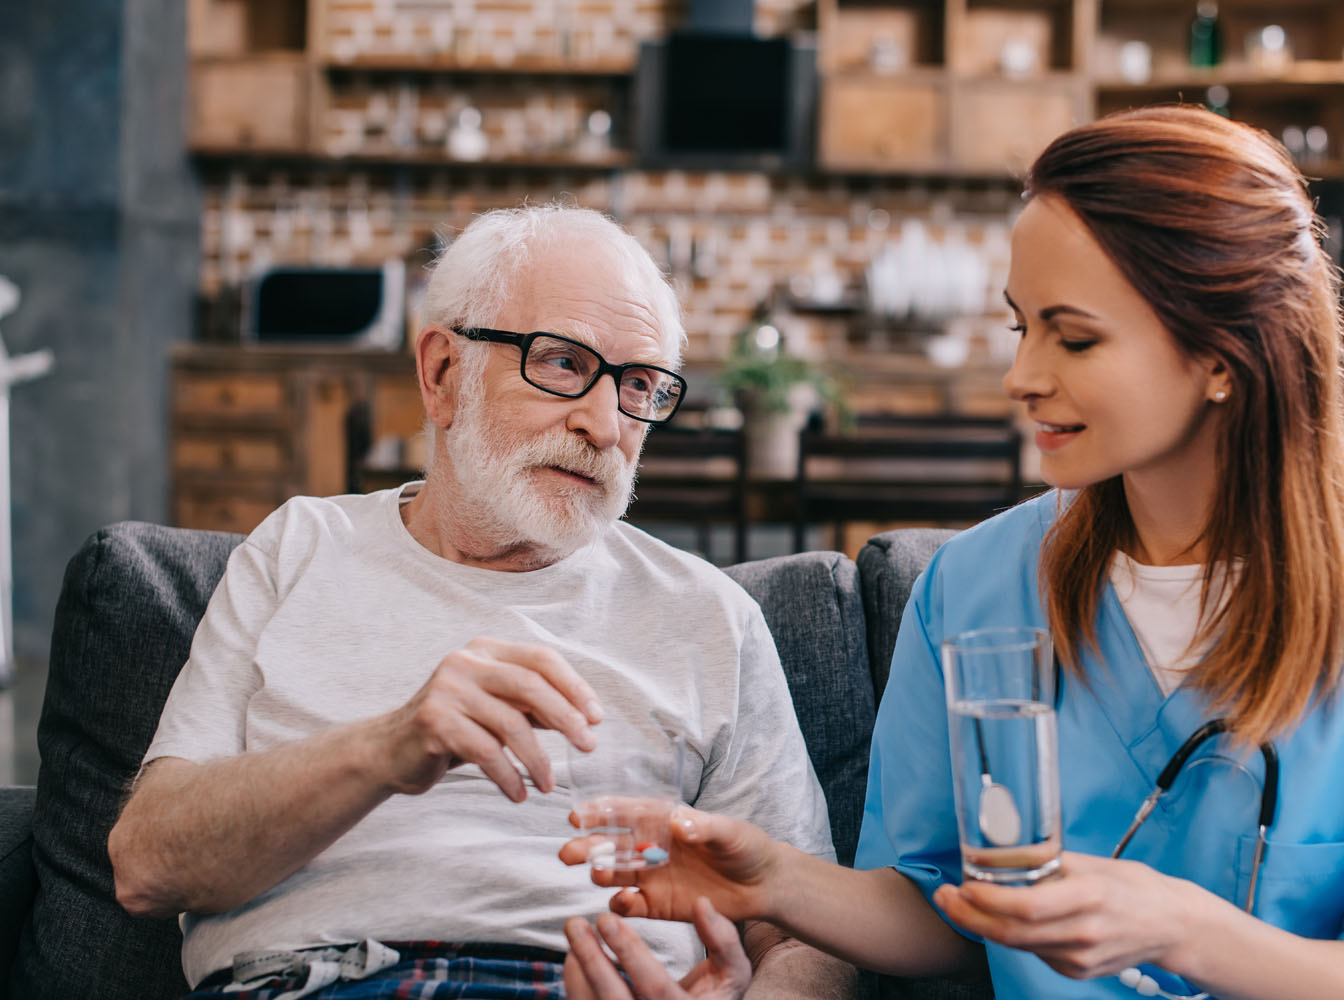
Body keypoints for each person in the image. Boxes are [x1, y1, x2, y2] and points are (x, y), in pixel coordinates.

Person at [559, 107, 1344, 1000]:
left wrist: (1179, 925)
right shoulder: (973, 589)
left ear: (1219, 354)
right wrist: (774, 878)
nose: (1021, 377)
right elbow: (939, 908)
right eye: (1020, 327)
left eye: (1073, 339)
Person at [107, 205, 854, 1000]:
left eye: (638, 385)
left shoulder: (708, 611)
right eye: (563, 363)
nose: (604, 424)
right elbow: (146, 866)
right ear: (442, 374)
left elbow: (813, 933)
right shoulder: (298, 549)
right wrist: (387, 749)